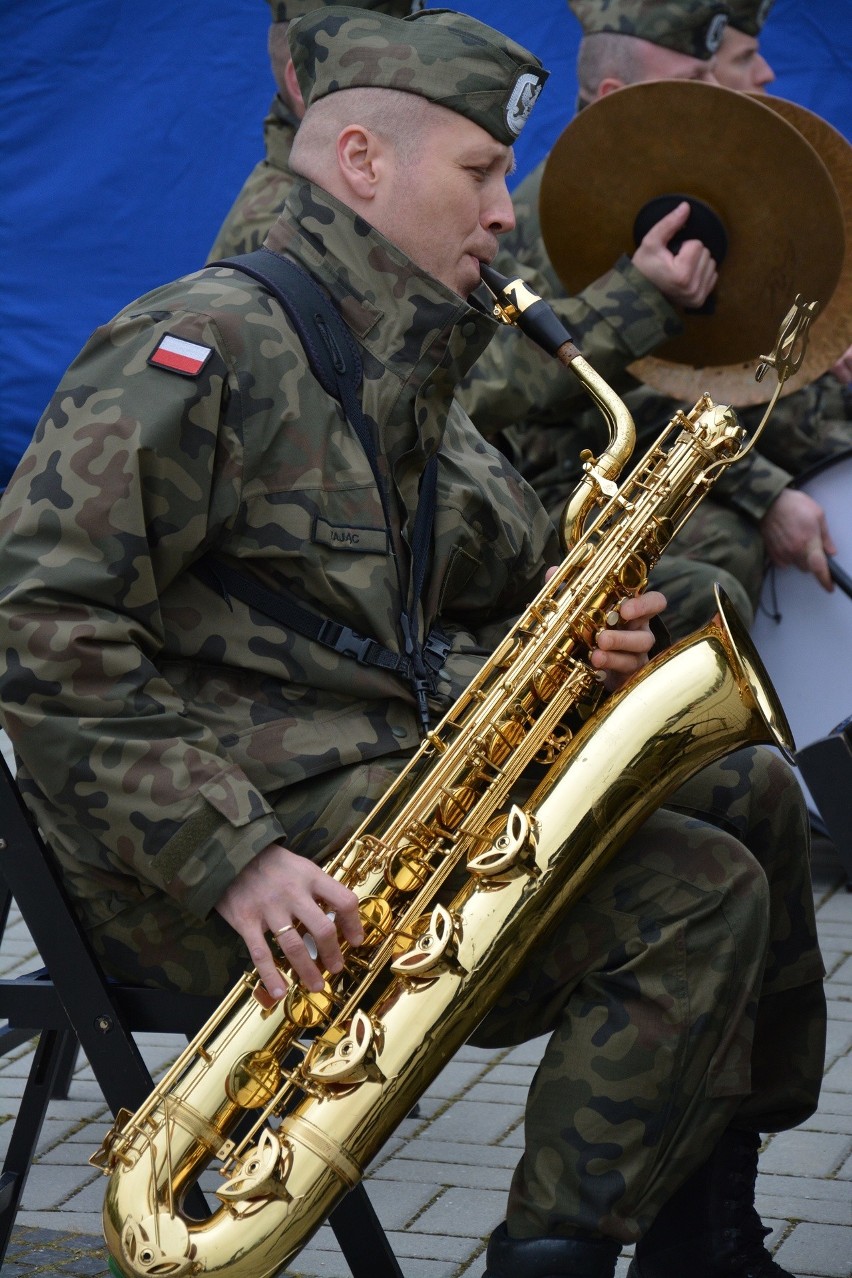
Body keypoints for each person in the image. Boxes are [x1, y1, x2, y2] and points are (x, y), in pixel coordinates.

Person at [0, 7, 824, 1278]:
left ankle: (699, 1232)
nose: (507, 214)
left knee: (754, 791)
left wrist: (566, 636)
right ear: (363, 164)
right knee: (691, 898)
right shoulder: (201, 346)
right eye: (482, 174)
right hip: (208, 869)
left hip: (368, 781)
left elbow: (461, 594)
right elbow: (39, 624)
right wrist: (231, 853)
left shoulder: (415, 367)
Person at [457, 0, 846, 641]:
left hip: (629, 453)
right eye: (695, 80)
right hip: (552, 480)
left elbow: (715, 347)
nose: (720, 87)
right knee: (722, 555)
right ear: (616, 94)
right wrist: (763, 492)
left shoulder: (664, 185)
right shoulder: (543, 220)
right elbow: (530, 387)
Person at [207, 0, 413, 264]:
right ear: (307, 79)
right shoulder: (290, 233)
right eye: (386, 66)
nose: (412, 88)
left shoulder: (345, 199)